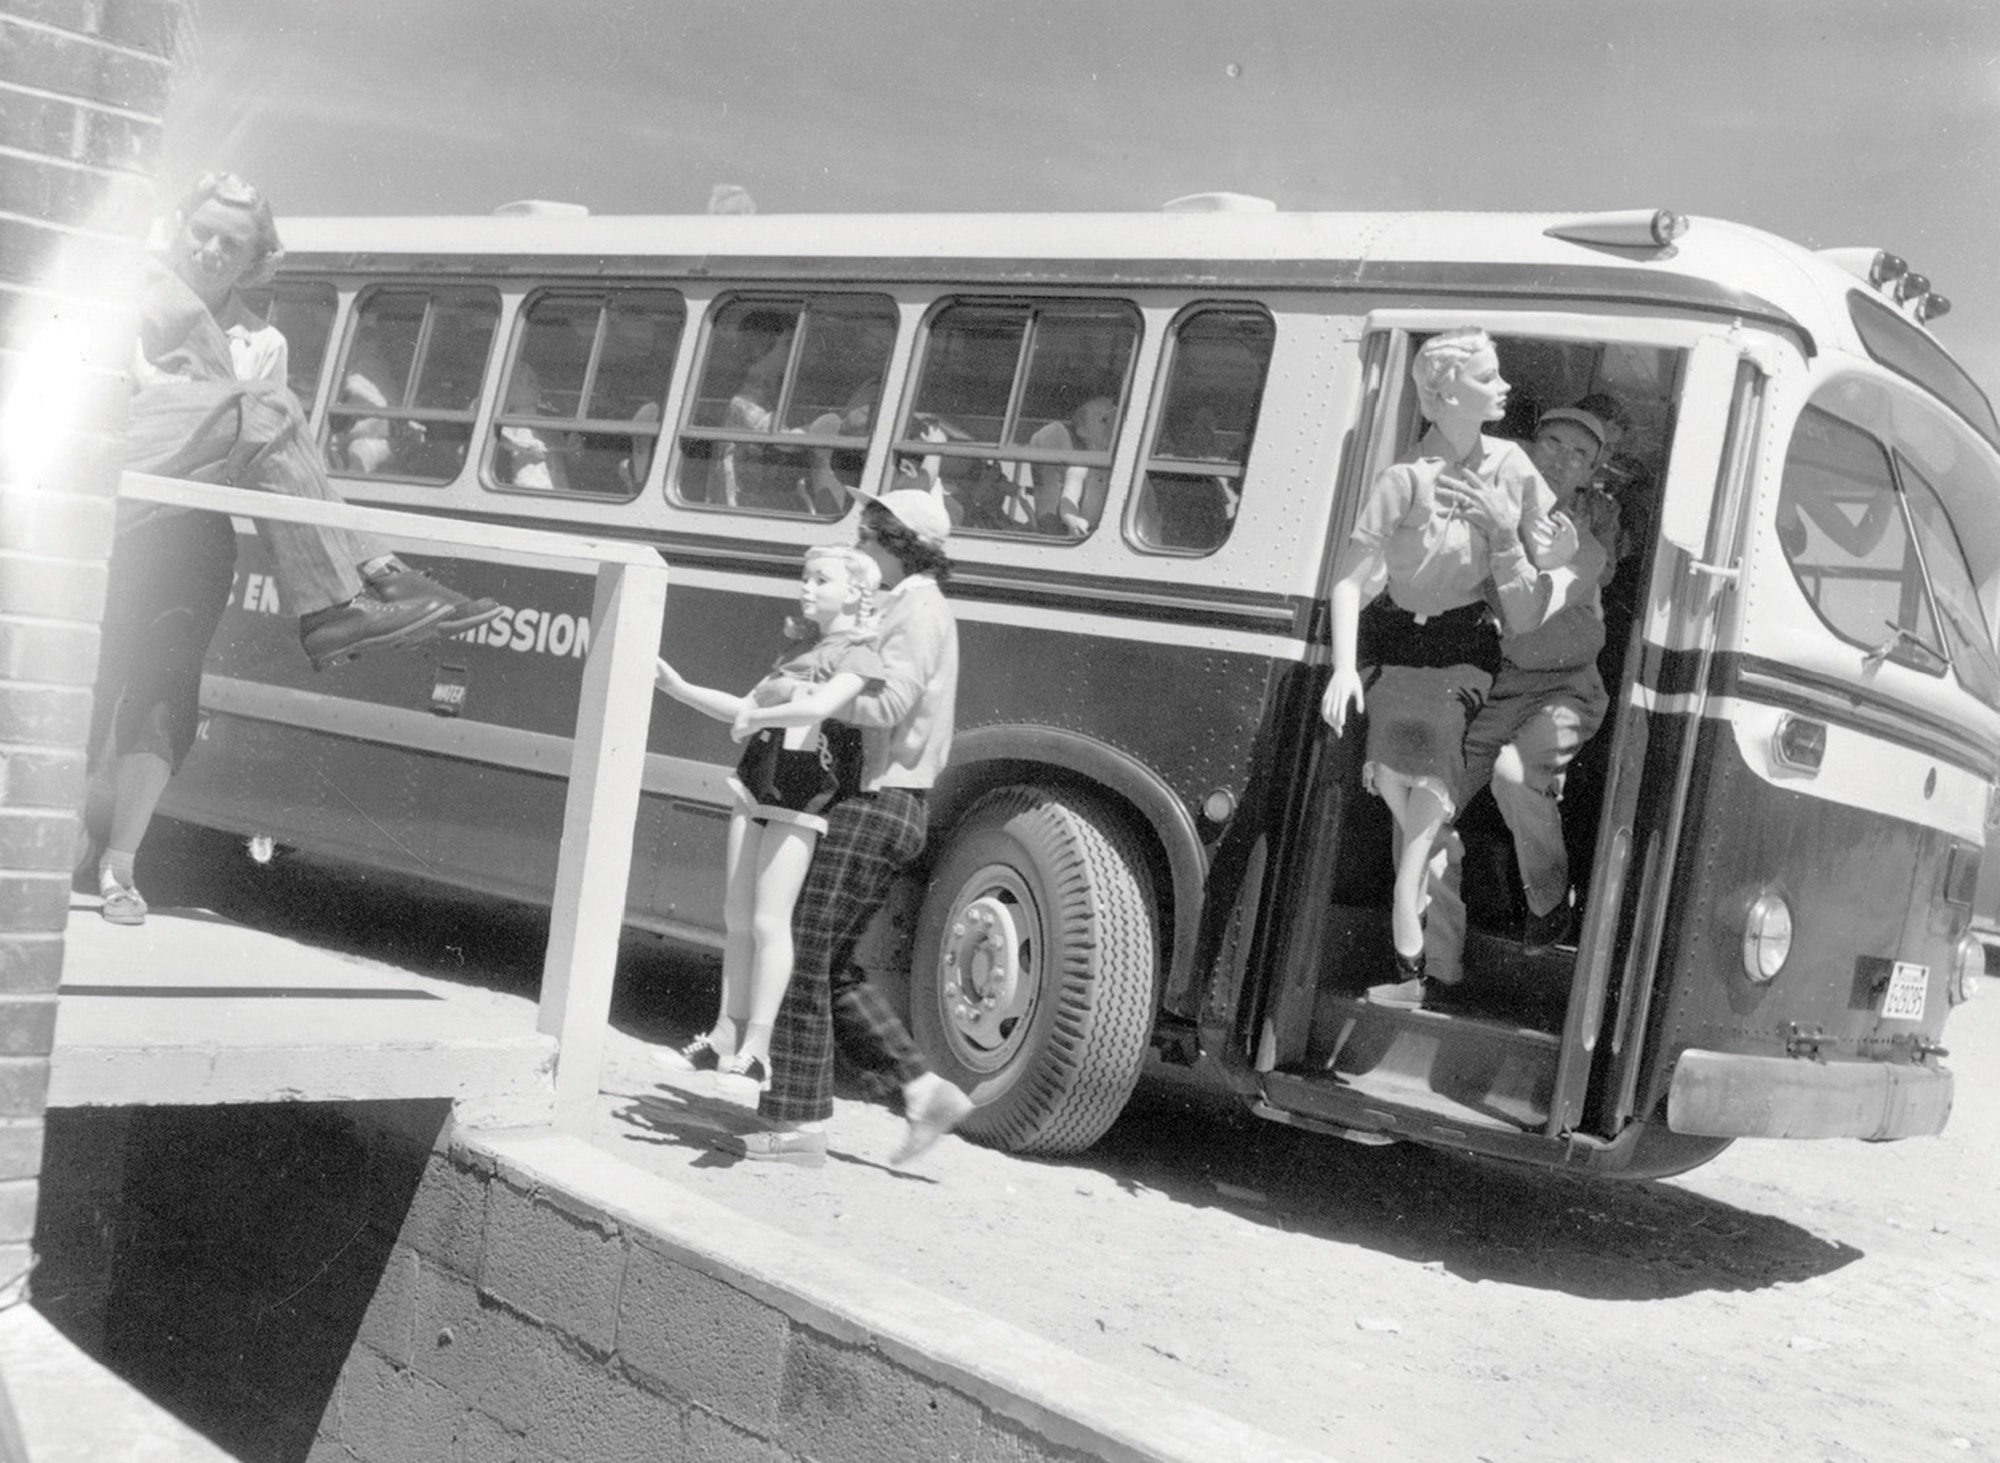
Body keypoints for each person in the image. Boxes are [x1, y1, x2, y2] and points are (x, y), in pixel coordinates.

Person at [121, 173, 499, 674]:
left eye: (232, 244)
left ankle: (372, 580)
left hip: (189, 502)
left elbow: (257, 457)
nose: (211, 251)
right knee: (270, 407)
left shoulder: (264, 342)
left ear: (254, 260)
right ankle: (355, 591)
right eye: (201, 233)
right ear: (177, 228)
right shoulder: (131, 291)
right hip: (121, 462)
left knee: (272, 419)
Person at [720, 483, 974, 1168]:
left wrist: (815, 696)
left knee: (800, 947)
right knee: (823, 958)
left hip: (881, 799)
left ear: (899, 543)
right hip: (881, 800)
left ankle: (796, 1127)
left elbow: (891, 701)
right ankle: (923, 1090)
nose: (859, 547)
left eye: (868, 535)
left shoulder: (919, 611)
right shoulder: (900, 605)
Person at [1319, 327, 1573, 1007]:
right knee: (1417, 822)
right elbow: (1348, 581)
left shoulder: (1513, 467)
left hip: (1463, 660)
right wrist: (1345, 668)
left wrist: (1522, 541)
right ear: (1446, 390)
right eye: (1489, 378)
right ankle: (1426, 968)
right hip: (1394, 657)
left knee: (1424, 817)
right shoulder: (1403, 479)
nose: (1504, 388)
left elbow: (1544, 572)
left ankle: (1414, 970)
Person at [652, 545, 887, 1092]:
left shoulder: (860, 653)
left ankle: (757, 1050)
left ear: (855, 592)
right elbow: (743, 707)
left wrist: (760, 713)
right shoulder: (799, 649)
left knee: (768, 921)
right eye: (805, 578)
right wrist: (679, 688)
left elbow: (817, 708)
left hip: (803, 790)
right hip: (759, 775)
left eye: (820, 579)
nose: (806, 588)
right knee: (737, 915)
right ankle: (721, 1038)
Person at [1454, 403, 1624, 956]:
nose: (1561, 460)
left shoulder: (1587, 545)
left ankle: (1549, 910)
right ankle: (1429, 957)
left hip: (1569, 688)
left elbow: (1535, 605)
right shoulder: (1492, 503)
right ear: (1528, 446)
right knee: (1430, 800)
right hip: (1505, 685)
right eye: (1552, 443)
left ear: (1590, 474)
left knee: (1514, 772)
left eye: (1579, 455)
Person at [1026, 395, 1116, 535]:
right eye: (1103, 420)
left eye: (1116, 418)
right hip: (1089, 532)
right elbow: (1068, 500)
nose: (1112, 425)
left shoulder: (1127, 464)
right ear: (1082, 431)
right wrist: (1073, 520)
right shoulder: (1081, 466)